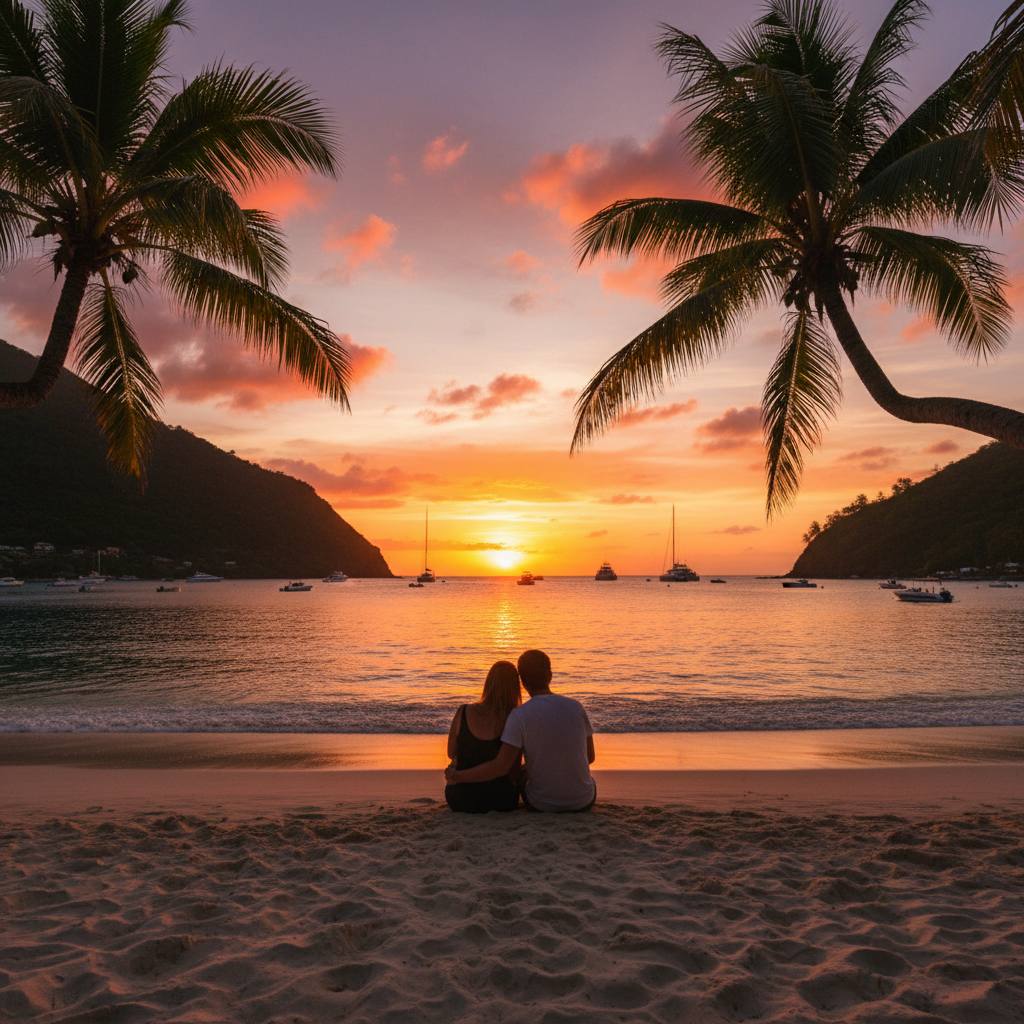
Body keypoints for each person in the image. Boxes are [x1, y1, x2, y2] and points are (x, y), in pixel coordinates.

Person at [445, 649, 596, 812]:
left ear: (523, 682)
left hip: (540, 804)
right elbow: (590, 757)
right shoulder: (576, 706)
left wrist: (456, 776)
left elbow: (500, 765)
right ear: (550, 675)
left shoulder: (519, 715)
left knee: (525, 776)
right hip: (583, 801)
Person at [444, 660, 522, 813]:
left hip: (460, 798)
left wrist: (456, 774)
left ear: (488, 684)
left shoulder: (463, 712)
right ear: (515, 689)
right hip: (501, 800)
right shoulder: (514, 719)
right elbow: (514, 769)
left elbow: (451, 752)